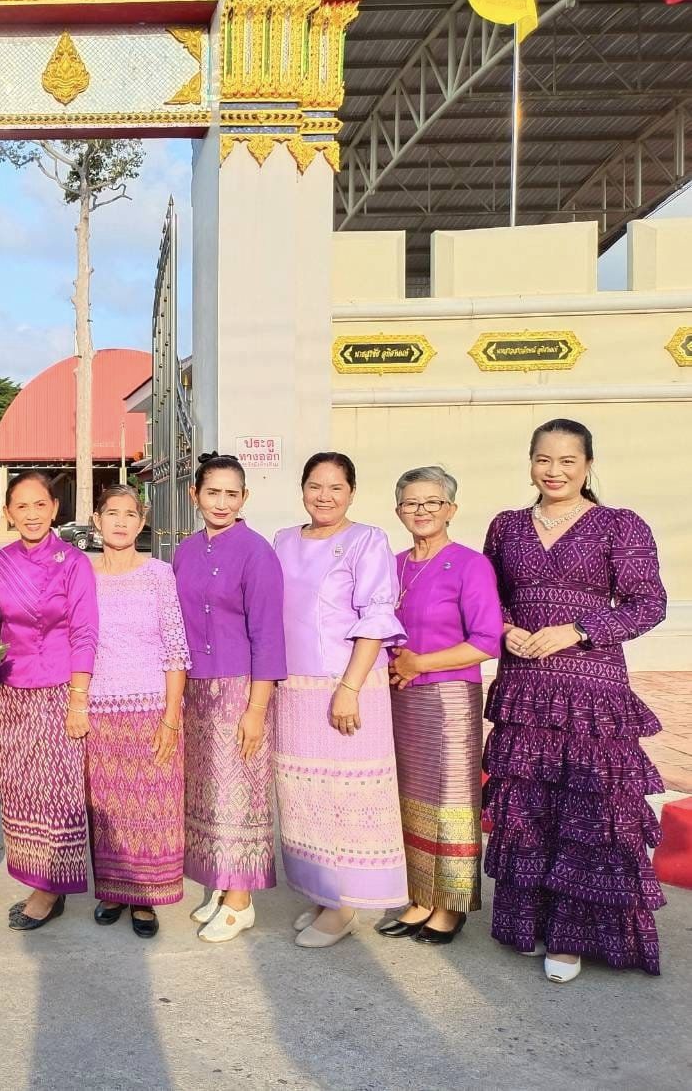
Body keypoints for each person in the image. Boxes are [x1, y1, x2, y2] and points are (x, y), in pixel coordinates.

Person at [483, 418, 667, 981]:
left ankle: (573, 936)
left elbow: (648, 604)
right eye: (544, 459)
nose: (554, 471)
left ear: (588, 464)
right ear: (530, 461)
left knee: (587, 813)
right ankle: (532, 923)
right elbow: (485, 596)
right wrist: (505, 627)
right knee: (530, 809)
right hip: (525, 689)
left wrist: (578, 630)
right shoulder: (507, 526)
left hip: (592, 692)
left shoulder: (619, 525)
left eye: (567, 460)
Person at [272, 454, 408, 949]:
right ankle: (324, 893)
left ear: (352, 491)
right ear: (301, 489)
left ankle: (347, 902)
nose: (324, 495)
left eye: (335, 487)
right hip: (294, 687)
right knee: (304, 796)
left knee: (346, 798)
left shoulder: (366, 540)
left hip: (344, 686)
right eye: (314, 485)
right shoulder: (284, 541)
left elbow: (375, 615)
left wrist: (349, 688)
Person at [379, 466, 501, 947]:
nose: (421, 511)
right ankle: (418, 896)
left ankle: (449, 905)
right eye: (411, 503)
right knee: (408, 801)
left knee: (450, 802)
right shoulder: (392, 563)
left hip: (449, 699)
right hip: (400, 696)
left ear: (451, 508)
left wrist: (419, 663)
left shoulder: (471, 564)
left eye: (432, 502)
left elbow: (486, 641)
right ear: (398, 511)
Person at [174, 454, 288, 943]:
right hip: (196, 688)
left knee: (240, 790)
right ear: (194, 495)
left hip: (240, 688)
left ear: (245, 499)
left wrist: (256, 709)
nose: (222, 503)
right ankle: (222, 884)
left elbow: (268, 635)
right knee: (208, 792)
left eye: (232, 494)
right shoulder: (184, 550)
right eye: (213, 492)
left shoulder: (257, 552)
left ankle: (241, 900)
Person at [0, 471, 98, 931]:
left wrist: (78, 699)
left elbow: (85, 632)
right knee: (20, 790)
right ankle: (34, 876)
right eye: (22, 506)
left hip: (58, 690)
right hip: (13, 690)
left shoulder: (73, 562)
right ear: (9, 512)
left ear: (55, 508)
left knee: (57, 791)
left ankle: (49, 887)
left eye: (41, 505)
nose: (32, 514)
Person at [85, 485, 189, 938]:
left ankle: (146, 896)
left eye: (131, 514)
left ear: (142, 523)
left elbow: (175, 648)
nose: (121, 522)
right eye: (112, 513)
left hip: (151, 706)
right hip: (99, 707)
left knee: (153, 805)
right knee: (107, 804)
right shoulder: (82, 573)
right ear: (96, 520)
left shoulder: (160, 574)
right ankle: (112, 888)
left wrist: (171, 716)